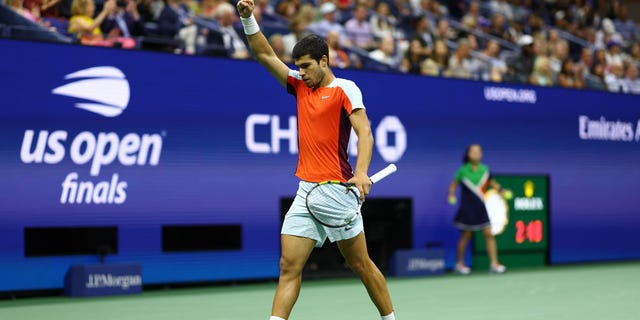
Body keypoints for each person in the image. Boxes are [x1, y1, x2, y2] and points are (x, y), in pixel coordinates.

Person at [235, 1, 397, 320]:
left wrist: (362, 171)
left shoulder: (345, 89)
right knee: (288, 267)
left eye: (307, 66)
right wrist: (248, 18)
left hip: (338, 192)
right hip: (305, 191)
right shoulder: (298, 85)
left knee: (361, 265)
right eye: (299, 66)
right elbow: (265, 54)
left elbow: (365, 133)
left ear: (324, 60)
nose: (302, 72)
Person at [447, 144, 508, 275]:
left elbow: (492, 183)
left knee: (488, 234)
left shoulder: (485, 169)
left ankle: (494, 264)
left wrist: (501, 190)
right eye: (473, 151)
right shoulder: (462, 170)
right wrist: (451, 196)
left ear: (481, 154)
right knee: (466, 235)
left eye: (478, 151)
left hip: (480, 207)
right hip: (467, 208)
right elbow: (453, 184)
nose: (476, 154)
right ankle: (459, 264)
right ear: (468, 154)